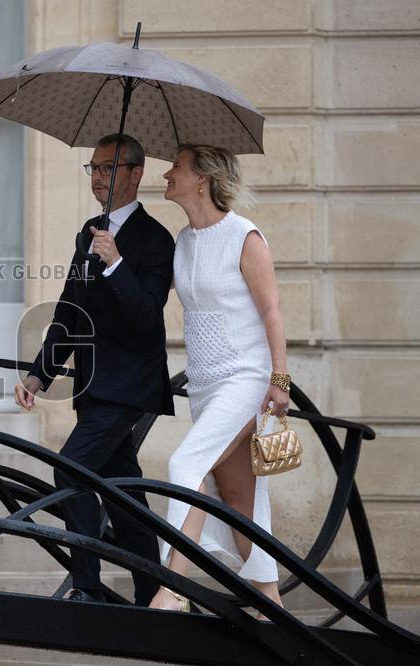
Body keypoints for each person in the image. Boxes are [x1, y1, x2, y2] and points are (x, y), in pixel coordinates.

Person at [14, 133, 176, 606]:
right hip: (93, 386)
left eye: (108, 168)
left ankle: (87, 589)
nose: (100, 176)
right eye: (94, 168)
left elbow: (147, 315)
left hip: (128, 386)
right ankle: (155, 598)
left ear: (136, 173)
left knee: (70, 473)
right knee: (126, 500)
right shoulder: (89, 231)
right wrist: (39, 373)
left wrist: (117, 263)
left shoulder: (155, 240)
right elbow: (71, 309)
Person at [149, 144, 290, 613]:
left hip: (245, 378)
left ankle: (172, 590)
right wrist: (110, 255)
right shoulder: (184, 242)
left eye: (178, 168)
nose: (167, 174)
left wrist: (280, 381)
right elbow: (146, 289)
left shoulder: (244, 237)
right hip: (205, 385)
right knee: (237, 496)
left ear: (202, 179)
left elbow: (272, 311)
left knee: (185, 466)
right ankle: (270, 603)